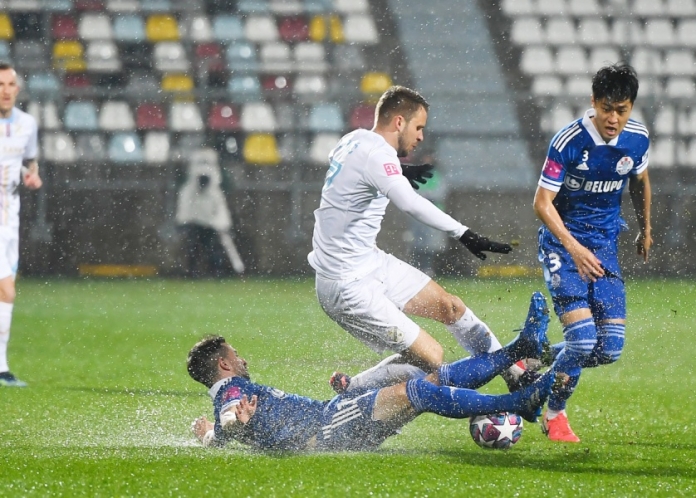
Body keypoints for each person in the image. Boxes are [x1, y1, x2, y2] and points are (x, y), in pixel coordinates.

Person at [308, 85, 518, 390]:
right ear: (398, 123)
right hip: (346, 284)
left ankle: (515, 375)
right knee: (431, 358)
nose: (421, 136)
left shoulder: (353, 140)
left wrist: (400, 171)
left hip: (370, 262)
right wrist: (464, 233)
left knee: (451, 307)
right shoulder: (377, 155)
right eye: (418, 127)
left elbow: (356, 171)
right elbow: (410, 203)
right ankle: (352, 389)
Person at [187, 302, 559, 452]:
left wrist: (211, 435)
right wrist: (229, 425)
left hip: (331, 417)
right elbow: (230, 415)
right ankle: (517, 399)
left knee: (426, 381)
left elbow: (223, 428)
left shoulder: (230, 391)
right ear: (224, 365)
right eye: (236, 355)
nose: (242, 358)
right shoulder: (231, 390)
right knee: (418, 391)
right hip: (327, 430)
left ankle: (518, 349)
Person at [533, 62, 652, 442]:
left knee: (609, 349)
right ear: (593, 102)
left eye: (622, 110)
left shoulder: (637, 139)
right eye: (606, 109)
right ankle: (554, 413)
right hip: (563, 243)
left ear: (630, 107)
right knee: (582, 341)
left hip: (603, 248)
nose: (613, 119)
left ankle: (531, 356)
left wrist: (645, 229)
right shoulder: (568, 141)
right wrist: (573, 246)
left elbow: (640, 180)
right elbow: (542, 202)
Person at [0, 62, 43, 387]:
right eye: (0, 84)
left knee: (5, 291)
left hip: (10, 217)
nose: (5, 90)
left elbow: (30, 159)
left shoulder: (27, 123)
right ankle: (1, 368)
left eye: (9, 84)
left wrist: (32, 174)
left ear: (17, 88)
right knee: (7, 290)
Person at [175, 148, 244, 277]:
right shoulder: (189, 190)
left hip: (211, 224)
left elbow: (220, 210)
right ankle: (192, 271)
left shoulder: (215, 192)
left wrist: (221, 224)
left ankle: (217, 271)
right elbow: (184, 206)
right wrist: (184, 221)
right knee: (193, 248)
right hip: (195, 223)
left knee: (214, 249)